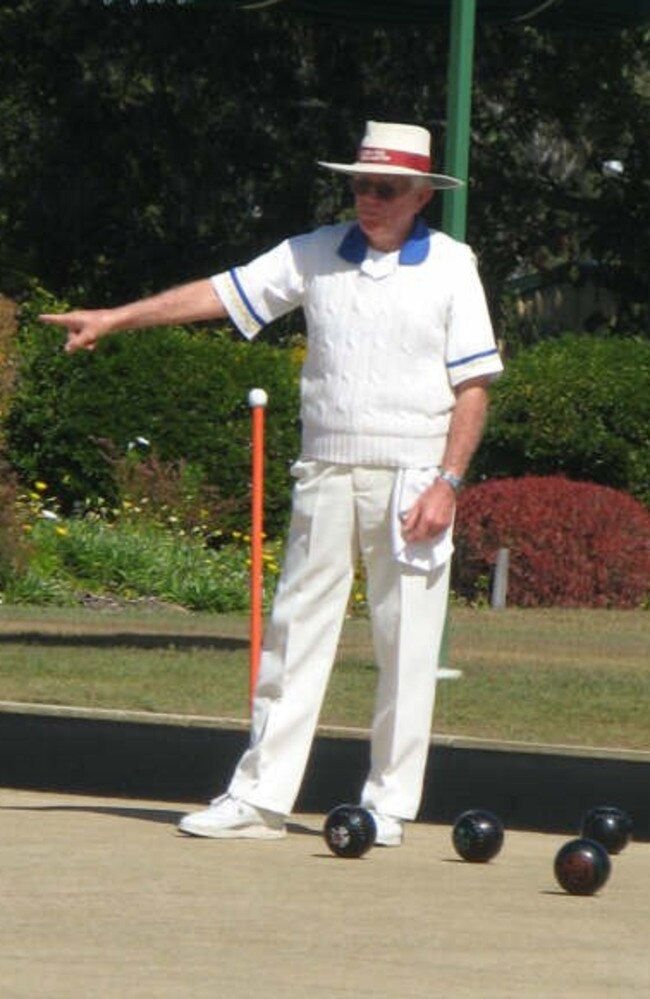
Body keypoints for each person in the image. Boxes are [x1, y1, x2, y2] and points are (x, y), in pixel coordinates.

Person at [41, 121, 503, 847]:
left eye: (384, 188)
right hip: (325, 467)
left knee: (407, 644)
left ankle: (387, 805)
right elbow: (224, 295)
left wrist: (448, 479)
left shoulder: (452, 265)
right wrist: (117, 318)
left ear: (420, 195)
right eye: (359, 184)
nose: (368, 199)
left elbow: (473, 385)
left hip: (414, 477)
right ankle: (258, 797)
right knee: (294, 634)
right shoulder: (313, 253)